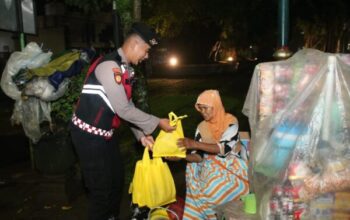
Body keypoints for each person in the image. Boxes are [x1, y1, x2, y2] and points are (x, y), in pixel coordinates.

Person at [69, 22, 175, 220]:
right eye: (146, 50)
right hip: (88, 136)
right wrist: (158, 122)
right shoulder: (110, 66)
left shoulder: (125, 68)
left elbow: (128, 105)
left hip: (105, 135)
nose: (147, 56)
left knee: (117, 183)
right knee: (100, 193)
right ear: (135, 44)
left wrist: (141, 136)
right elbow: (123, 109)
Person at [170, 89, 250, 219]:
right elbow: (198, 156)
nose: (203, 112)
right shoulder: (202, 127)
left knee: (212, 188)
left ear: (216, 106)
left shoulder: (230, 122)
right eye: (200, 109)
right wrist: (181, 157)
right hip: (209, 165)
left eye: (206, 108)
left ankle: (218, 214)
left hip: (231, 165)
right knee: (198, 183)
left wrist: (194, 144)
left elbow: (224, 148)